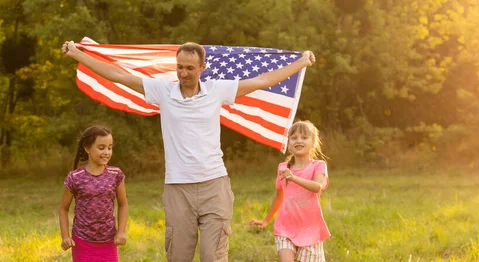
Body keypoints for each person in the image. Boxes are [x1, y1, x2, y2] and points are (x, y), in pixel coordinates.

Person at [61, 40, 315, 262]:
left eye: (190, 68)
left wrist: (301, 62)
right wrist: (78, 54)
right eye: (179, 67)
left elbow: (262, 80)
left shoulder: (217, 90)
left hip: (214, 186)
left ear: (202, 68)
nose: (183, 73)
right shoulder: (163, 91)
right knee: (179, 256)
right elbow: (119, 75)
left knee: (212, 256)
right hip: (177, 189)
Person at [249, 120, 330, 262]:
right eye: (294, 137)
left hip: (310, 229)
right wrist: (266, 220)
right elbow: (279, 196)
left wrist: (293, 178)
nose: (299, 140)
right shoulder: (283, 168)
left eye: (304, 137)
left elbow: (317, 186)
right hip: (285, 228)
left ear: (314, 143)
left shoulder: (319, 165)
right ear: (288, 143)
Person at [58, 125, 128, 262]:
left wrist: (121, 231)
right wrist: (65, 236)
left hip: (109, 241)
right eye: (101, 148)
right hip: (82, 242)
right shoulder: (75, 177)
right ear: (87, 148)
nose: (107, 152)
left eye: (110, 147)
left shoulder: (116, 175)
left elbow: (123, 204)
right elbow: (63, 209)